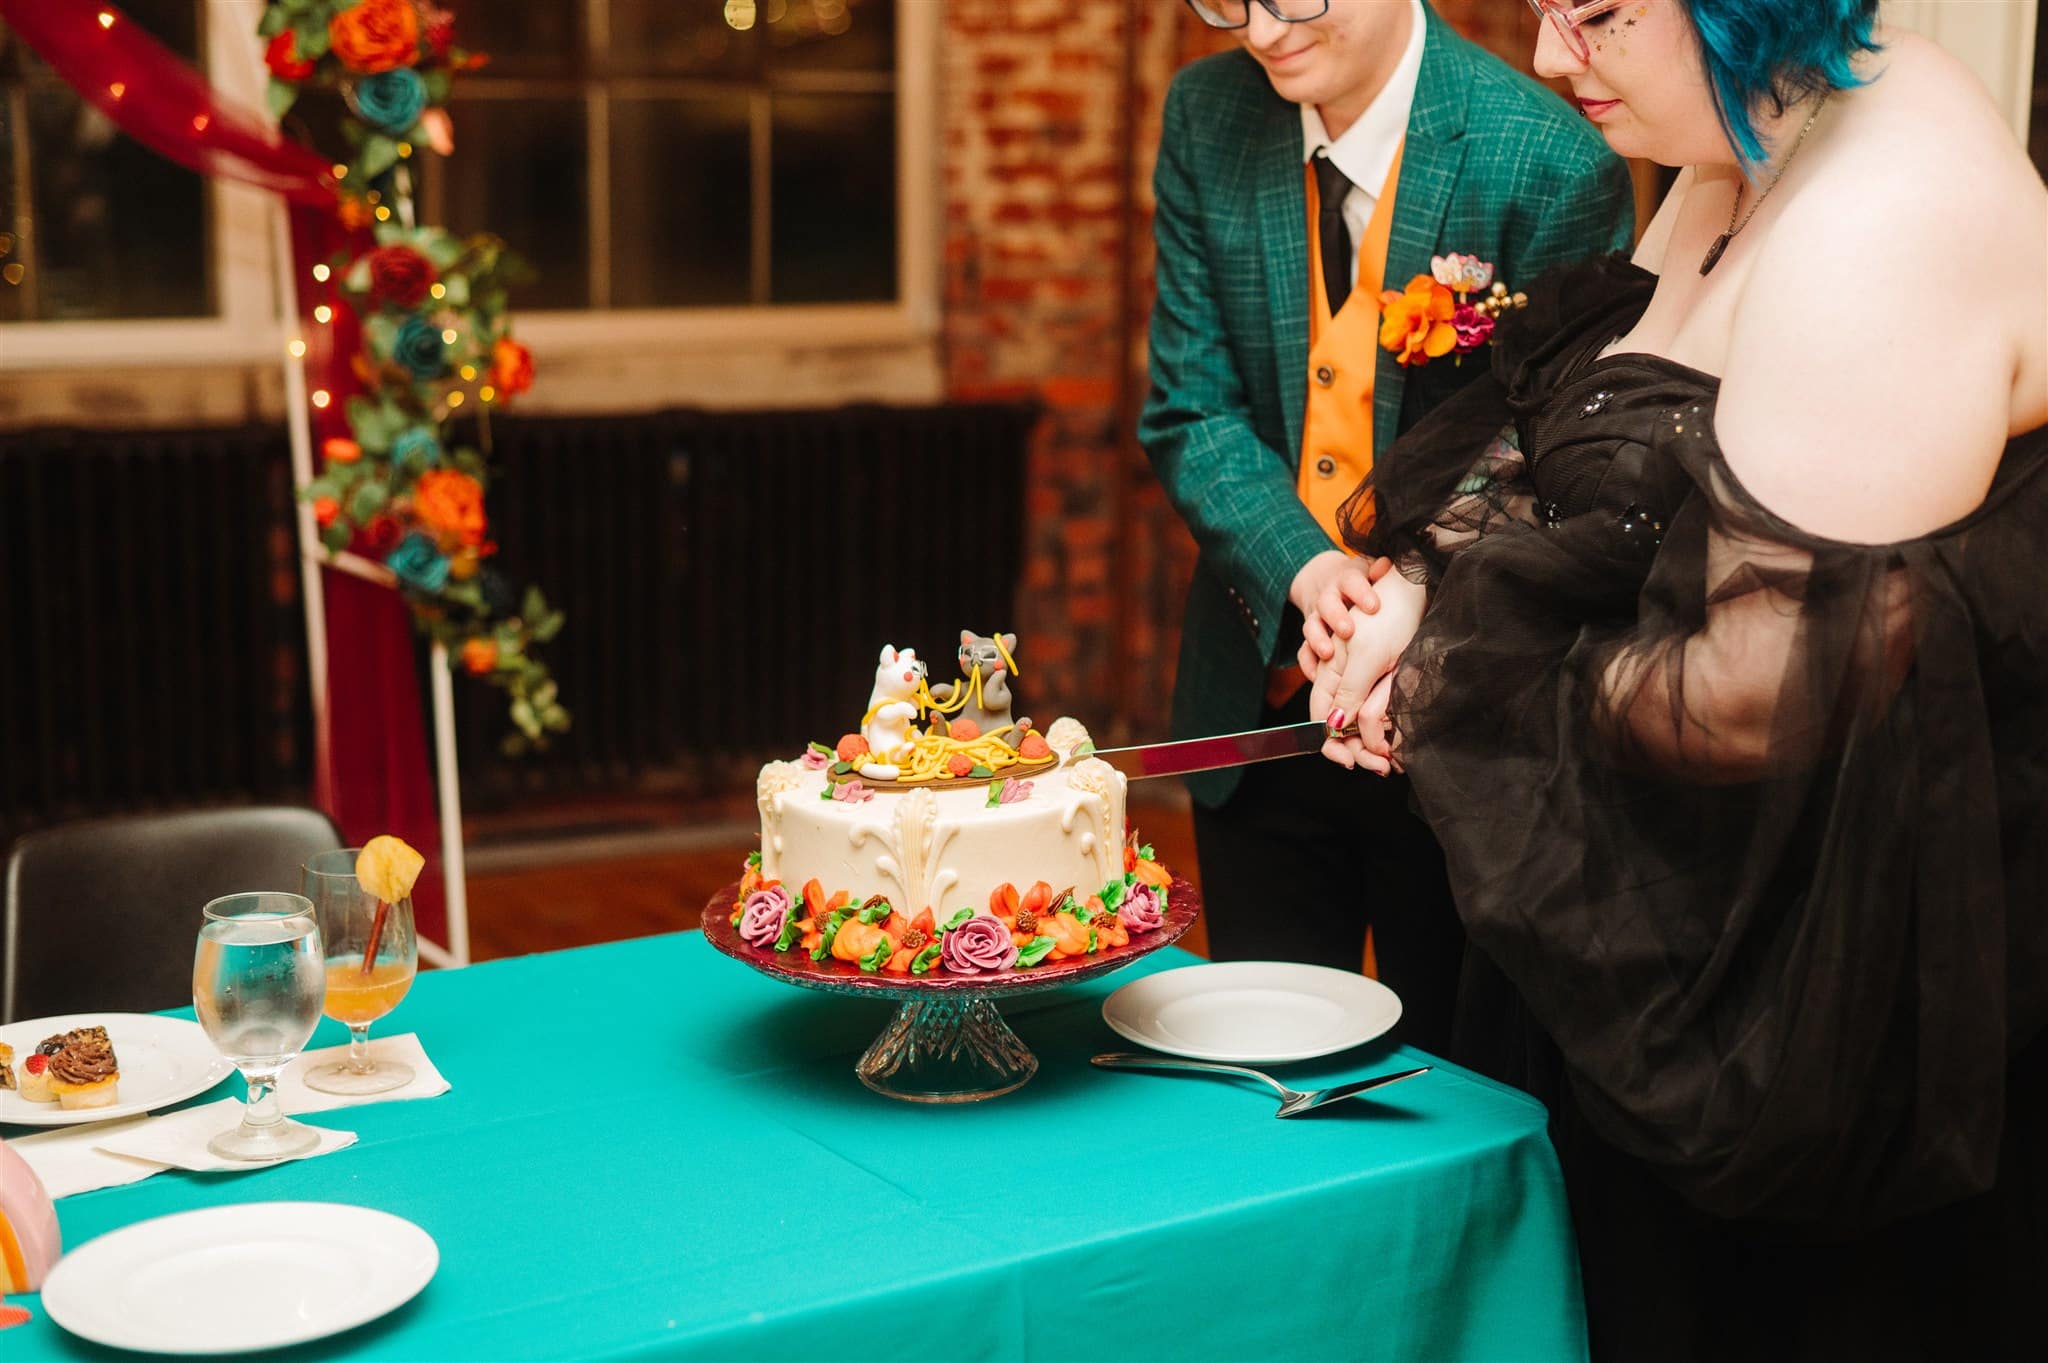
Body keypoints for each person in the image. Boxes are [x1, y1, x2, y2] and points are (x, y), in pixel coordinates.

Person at [1305, 0, 2048, 1356]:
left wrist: (1456, 689)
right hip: (1640, 910)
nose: (1547, 56)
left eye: (1598, 14)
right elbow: (1592, 428)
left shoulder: (1888, 215)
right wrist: (1421, 583)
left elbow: (1762, 694)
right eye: (1543, 6)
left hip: (1789, 996)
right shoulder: (1748, 130)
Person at [1140, 0, 1633, 1054]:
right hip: (1258, 699)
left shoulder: (1545, 159)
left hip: (1451, 728)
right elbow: (1189, 406)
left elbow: (1554, 453)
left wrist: (1407, 596)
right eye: (1225, 1)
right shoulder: (1204, 115)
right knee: (1262, 1072)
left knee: (1448, 1081)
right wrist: (1308, 571)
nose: (1262, 31)